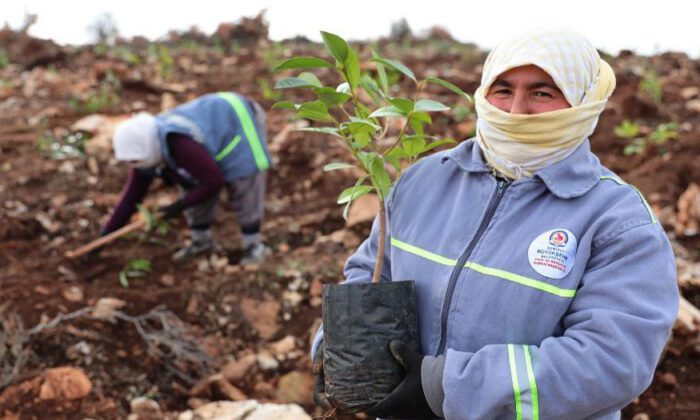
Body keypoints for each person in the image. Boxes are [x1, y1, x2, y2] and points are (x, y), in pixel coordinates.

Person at [312, 29, 679, 419]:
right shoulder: (424, 182)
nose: (515, 110)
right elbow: (371, 273)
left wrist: (442, 386)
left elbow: (612, 362)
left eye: (542, 93)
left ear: (582, 103)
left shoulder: (616, 220)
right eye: (502, 90)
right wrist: (336, 347)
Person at [101, 92, 271, 264]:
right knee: (191, 182)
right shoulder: (144, 156)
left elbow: (213, 182)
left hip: (236, 118)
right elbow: (131, 198)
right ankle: (202, 242)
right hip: (209, 134)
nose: (134, 164)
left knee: (243, 177)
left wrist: (179, 206)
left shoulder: (180, 144)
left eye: (136, 160)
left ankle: (254, 245)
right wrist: (105, 235)